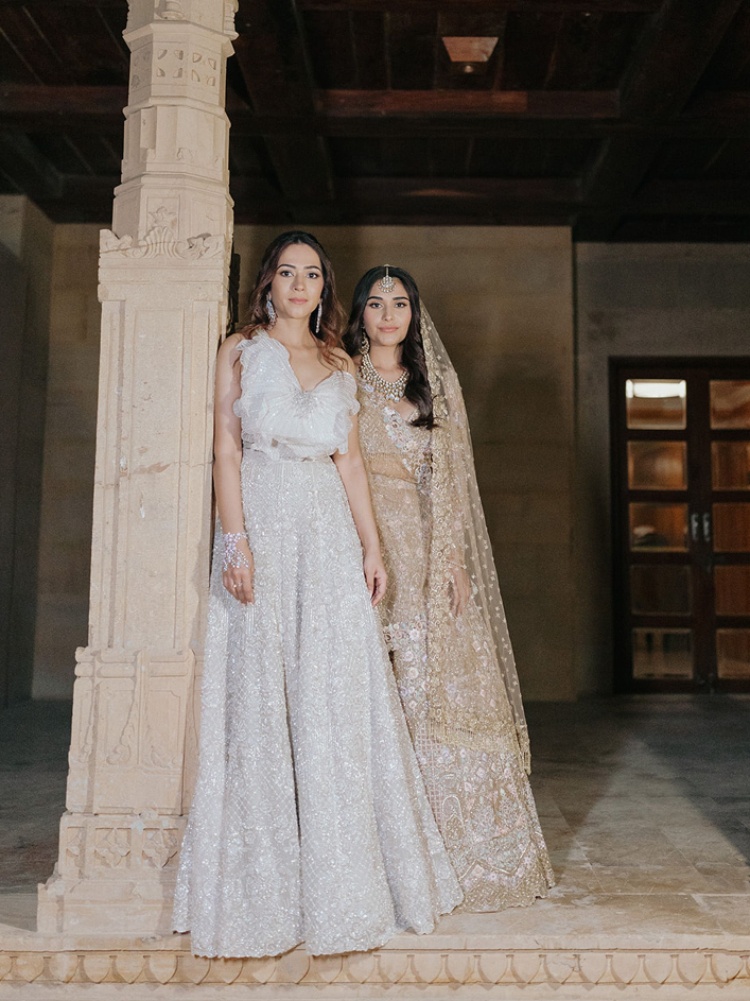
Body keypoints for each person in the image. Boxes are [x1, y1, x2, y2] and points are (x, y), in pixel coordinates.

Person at [173, 235, 462, 958]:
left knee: (333, 695)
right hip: (264, 524)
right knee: (262, 697)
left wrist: (370, 544)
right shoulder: (239, 350)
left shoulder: (339, 363)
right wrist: (233, 540)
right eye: (287, 271)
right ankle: (262, 893)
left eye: (312, 274)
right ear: (268, 282)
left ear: (323, 289)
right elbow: (226, 447)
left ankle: (345, 884)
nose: (299, 284)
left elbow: (352, 460)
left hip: (329, 534)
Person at [344, 265, 554, 912]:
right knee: (380, 686)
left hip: (430, 550)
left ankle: (462, 852)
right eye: (376, 302)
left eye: (399, 302)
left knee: (442, 684)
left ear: (414, 314)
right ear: (360, 312)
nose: (387, 313)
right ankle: (379, 854)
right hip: (366, 544)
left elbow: (454, 478)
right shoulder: (341, 375)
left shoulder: (435, 386)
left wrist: (456, 557)